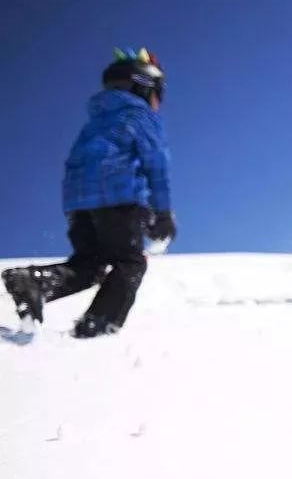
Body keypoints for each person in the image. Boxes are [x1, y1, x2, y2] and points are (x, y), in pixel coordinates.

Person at [2, 48, 175, 338]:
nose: (158, 102)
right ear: (143, 85)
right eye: (158, 93)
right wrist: (163, 212)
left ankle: (35, 282)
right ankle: (96, 328)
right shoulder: (139, 115)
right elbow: (156, 164)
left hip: (78, 203)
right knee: (129, 263)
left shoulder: (96, 121)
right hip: (118, 198)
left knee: (91, 264)